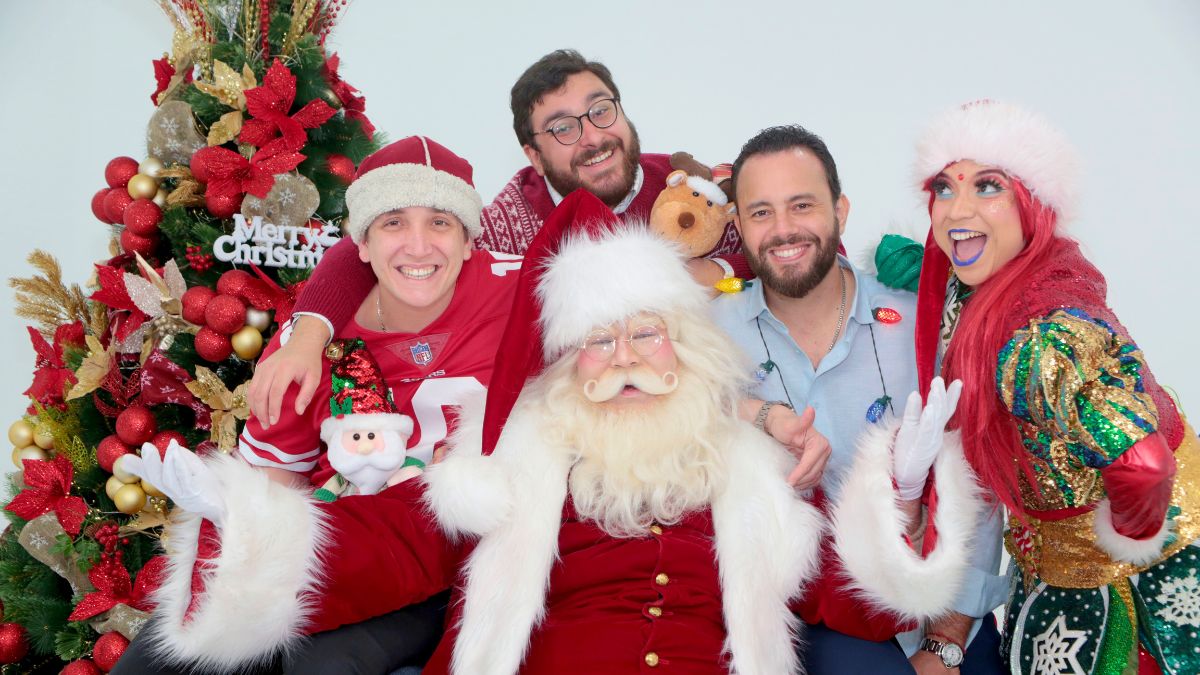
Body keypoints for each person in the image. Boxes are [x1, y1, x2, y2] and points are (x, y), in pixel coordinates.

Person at [124, 190, 985, 675]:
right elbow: (391, 544)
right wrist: (241, 519)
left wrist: (899, 495)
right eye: (598, 342)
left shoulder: (750, 470)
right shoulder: (516, 458)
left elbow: (853, 600)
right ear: (567, 364)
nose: (623, 360)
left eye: (645, 334)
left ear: (684, 351)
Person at [112, 134, 518, 675]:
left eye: (440, 222)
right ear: (363, 245)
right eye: (393, 222)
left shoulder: (519, 290)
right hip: (337, 547)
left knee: (325, 666)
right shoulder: (304, 345)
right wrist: (231, 509)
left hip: (446, 560)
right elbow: (276, 477)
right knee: (149, 668)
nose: (419, 246)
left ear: (470, 240)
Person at [252, 50, 748, 423]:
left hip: (700, 411)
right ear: (532, 155)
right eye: (562, 129)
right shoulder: (511, 223)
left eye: (601, 111)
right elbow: (379, 250)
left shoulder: (690, 190)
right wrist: (308, 335)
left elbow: (786, 243)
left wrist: (717, 271)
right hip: (584, 419)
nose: (593, 137)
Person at [910, 100, 1200, 675]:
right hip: (1048, 569)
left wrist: (1121, 539)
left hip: (1134, 583)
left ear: (1032, 204)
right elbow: (936, 271)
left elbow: (1144, 463)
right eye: (944, 189)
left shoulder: (1038, 344)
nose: (955, 210)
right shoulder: (1007, 276)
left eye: (986, 187)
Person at [713, 125, 1008, 674]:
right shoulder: (708, 333)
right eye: (760, 213)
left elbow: (980, 487)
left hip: (941, 621)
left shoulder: (923, 322)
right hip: (800, 630)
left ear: (840, 211)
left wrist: (943, 647)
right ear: (739, 226)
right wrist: (756, 412)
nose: (783, 230)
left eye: (802, 205)